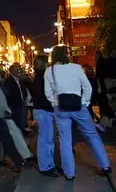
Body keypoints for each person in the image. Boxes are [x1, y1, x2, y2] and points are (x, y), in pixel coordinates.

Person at [45, 45, 111, 181]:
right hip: (79, 106)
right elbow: (87, 87)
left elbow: (48, 93)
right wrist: (85, 102)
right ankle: (105, 165)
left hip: (61, 109)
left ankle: (69, 173)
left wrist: (55, 104)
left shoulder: (49, 71)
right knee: (92, 135)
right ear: (66, 55)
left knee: (65, 140)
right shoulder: (76, 68)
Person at [30, 55, 58, 177]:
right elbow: (44, 96)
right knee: (46, 139)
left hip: (43, 110)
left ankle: (49, 164)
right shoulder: (43, 76)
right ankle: (46, 166)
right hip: (44, 111)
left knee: (47, 139)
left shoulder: (39, 76)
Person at [4, 63, 28, 131]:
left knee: (21, 122)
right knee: (15, 123)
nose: (19, 71)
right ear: (12, 71)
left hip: (21, 104)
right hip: (14, 106)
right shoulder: (8, 81)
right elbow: (7, 94)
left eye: (19, 69)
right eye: (17, 70)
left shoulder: (20, 80)